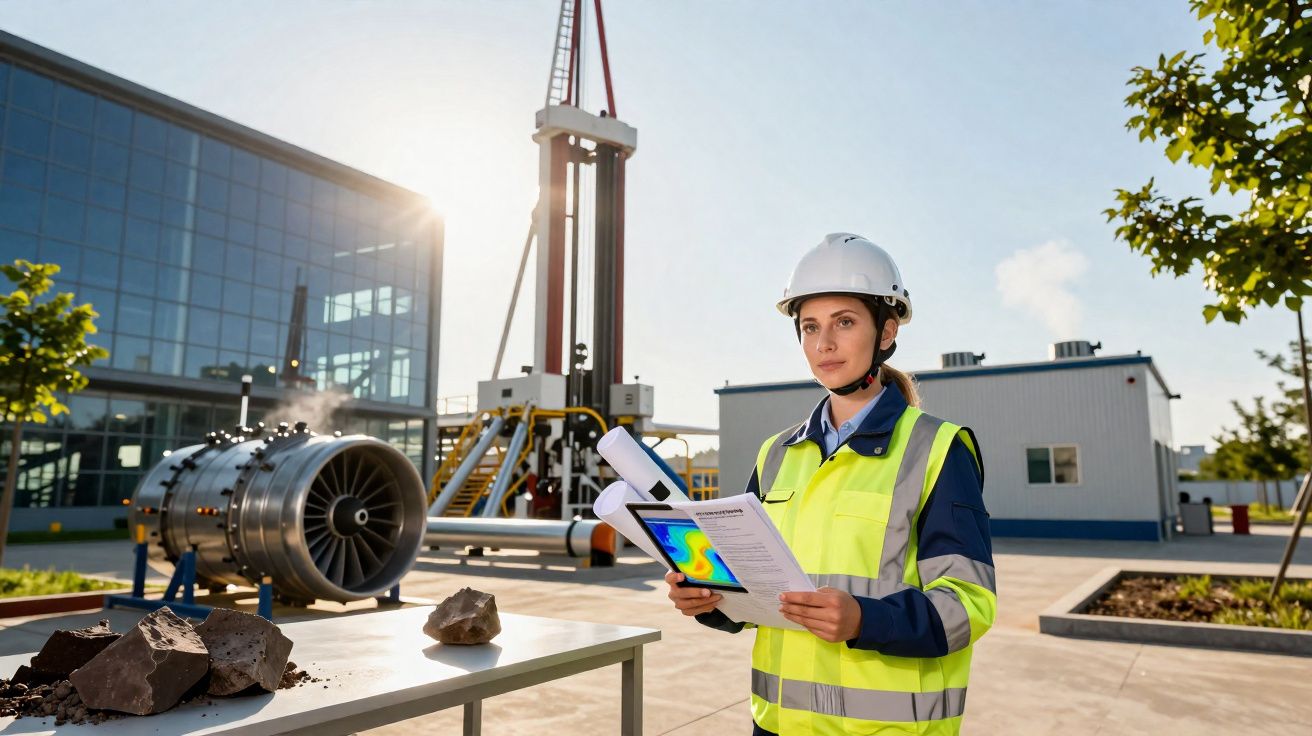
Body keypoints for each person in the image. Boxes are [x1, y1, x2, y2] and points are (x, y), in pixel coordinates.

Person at [666, 233, 996, 735]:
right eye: (810, 327)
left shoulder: (937, 450)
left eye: (844, 322)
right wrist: (712, 601)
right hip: (777, 725)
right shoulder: (776, 455)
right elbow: (758, 592)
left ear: (886, 332)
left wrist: (865, 620)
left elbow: (968, 606)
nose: (824, 344)